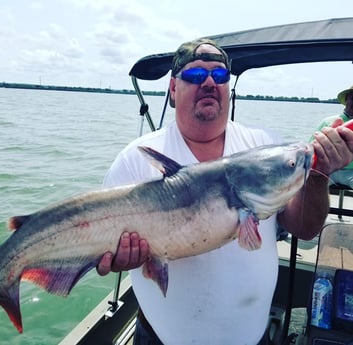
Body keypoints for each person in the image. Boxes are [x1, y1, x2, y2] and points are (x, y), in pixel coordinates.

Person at [97, 38, 353, 344]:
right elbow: (102, 245)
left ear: (227, 88)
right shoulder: (135, 158)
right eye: (194, 76)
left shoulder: (264, 147)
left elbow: (306, 228)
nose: (208, 82)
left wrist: (318, 175)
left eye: (219, 76)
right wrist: (117, 256)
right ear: (173, 89)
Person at [311, 85, 353, 188]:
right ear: (347, 99)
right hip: (327, 170)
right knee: (306, 183)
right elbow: (311, 146)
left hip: (351, 173)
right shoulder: (328, 121)